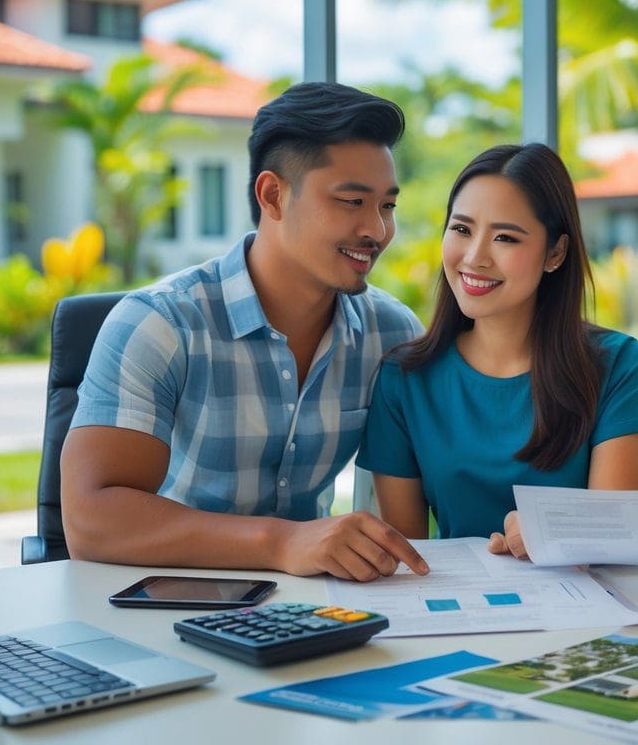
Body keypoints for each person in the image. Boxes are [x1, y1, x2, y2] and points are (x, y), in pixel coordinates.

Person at [61, 82, 430, 581]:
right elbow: (91, 522)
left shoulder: (391, 333)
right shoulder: (159, 324)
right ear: (273, 194)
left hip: (309, 605)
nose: (377, 230)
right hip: (166, 594)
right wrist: (281, 541)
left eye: (386, 206)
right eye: (352, 202)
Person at [356, 143, 638, 557]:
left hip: (585, 609)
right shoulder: (404, 377)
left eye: (505, 237)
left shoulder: (615, 364)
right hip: (456, 610)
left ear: (555, 253)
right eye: (462, 229)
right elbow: (409, 556)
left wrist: (549, 531)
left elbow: (609, 537)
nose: (475, 257)